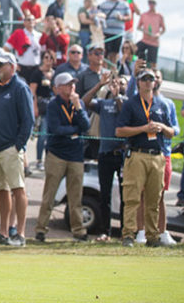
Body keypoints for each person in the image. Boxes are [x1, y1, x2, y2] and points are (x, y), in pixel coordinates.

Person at [116, 68, 174, 247]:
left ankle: (152, 236)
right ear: (139, 82)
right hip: (137, 153)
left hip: (157, 156)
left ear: (155, 82)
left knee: (154, 198)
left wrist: (162, 128)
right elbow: (119, 131)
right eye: (144, 79)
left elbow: (172, 132)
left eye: (151, 79)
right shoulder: (131, 103)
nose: (148, 82)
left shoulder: (161, 104)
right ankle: (128, 234)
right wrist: (143, 129)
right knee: (132, 197)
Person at [33, 73, 90, 242]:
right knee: (49, 194)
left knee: (76, 196)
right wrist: (75, 130)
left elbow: (86, 126)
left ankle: (78, 231)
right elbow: (56, 128)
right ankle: (41, 229)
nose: (71, 87)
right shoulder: (53, 105)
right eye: (67, 84)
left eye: (73, 84)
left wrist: (78, 107)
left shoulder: (77, 103)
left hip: (76, 156)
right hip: (57, 155)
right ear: (58, 88)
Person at [0, 50, 34, 246]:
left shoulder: (20, 88)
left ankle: (20, 233)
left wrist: (18, 146)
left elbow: (28, 120)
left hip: (10, 148)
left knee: (17, 189)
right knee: (1, 191)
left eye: (1, 65)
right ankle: (3, 232)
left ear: (12, 67)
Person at [83, 72, 127, 242]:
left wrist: (118, 96)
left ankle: (125, 232)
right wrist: (99, 85)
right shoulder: (105, 103)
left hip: (123, 155)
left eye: (121, 83)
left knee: (125, 196)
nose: (117, 85)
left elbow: (124, 114)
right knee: (105, 195)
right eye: (115, 82)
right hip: (105, 154)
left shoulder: (129, 103)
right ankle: (105, 232)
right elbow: (84, 102)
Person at [29, 50, 56, 170]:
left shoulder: (55, 73)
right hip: (42, 105)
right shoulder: (37, 73)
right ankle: (39, 160)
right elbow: (32, 91)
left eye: (51, 58)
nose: (48, 60)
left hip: (52, 105)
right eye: (46, 57)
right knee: (43, 134)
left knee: (51, 135)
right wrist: (34, 107)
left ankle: (48, 159)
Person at [98, 0, 131, 64]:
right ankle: (105, 70)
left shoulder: (124, 4)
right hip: (107, 31)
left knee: (115, 53)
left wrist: (122, 18)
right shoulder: (104, 4)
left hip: (118, 33)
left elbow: (129, 16)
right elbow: (98, 14)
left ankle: (113, 69)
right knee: (105, 53)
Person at [4, 14, 41, 83]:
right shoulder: (18, 33)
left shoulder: (39, 35)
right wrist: (13, 62)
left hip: (35, 68)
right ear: (24, 22)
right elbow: (6, 48)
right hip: (22, 68)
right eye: (28, 20)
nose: (31, 22)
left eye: (32, 20)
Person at [136, 0, 165, 69]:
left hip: (154, 42)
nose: (151, 5)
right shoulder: (144, 15)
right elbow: (138, 27)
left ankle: (153, 76)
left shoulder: (159, 16)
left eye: (153, 3)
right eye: (150, 3)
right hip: (144, 40)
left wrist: (158, 34)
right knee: (134, 50)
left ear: (155, 4)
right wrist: (145, 31)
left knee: (153, 62)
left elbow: (163, 29)